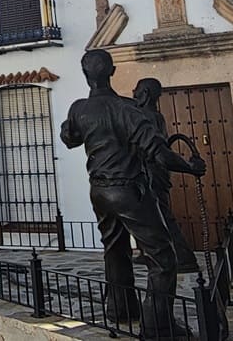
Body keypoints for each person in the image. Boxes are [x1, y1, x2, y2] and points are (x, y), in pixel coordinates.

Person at [61, 50, 205, 338]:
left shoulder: (79, 109)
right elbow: (159, 154)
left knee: (115, 249)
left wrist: (78, 127)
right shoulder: (128, 109)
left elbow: (69, 138)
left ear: (84, 74)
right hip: (128, 190)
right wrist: (190, 168)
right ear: (112, 71)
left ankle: (120, 309)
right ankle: (158, 326)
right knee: (163, 258)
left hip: (98, 191)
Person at [133, 78, 200, 273]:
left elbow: (154, 149)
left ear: (144, 94)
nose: (133, 93)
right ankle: (150, 253)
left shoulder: (145, 116)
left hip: (152, 172)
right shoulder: (155, 116)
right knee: (150, 216)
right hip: (151, 170)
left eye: (137, 90)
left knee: (161, 216)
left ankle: (184, 257)